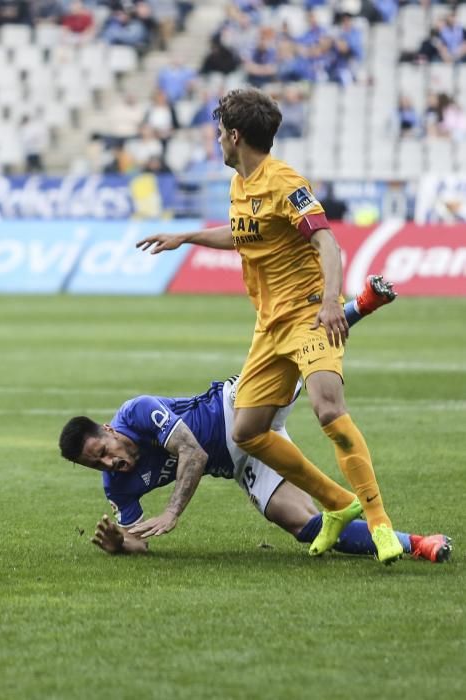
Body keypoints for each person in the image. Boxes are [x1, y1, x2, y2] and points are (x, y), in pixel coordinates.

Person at [136, 88, 405, 565]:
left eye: (220, 132)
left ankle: (379, 521)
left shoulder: (284, 182)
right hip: (269, 326)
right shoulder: (241, 184)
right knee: (247, 431)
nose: (217, 139)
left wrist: (329, 302)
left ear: (235, 135)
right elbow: (242, 235)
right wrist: (187, 236)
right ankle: (338, 502)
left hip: (307, 314)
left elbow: (327, 242)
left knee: (328, 408)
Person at [58, 341, 451, 564]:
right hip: (241, 460)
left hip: (237, 407)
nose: (110, 463)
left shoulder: (137, 411)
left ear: (108, 430)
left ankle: (358, 305)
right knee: (305, 527)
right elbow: (138, 539)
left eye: (103, 451)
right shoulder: (116, 485)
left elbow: (192, 455)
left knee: (297, 355)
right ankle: (418, 543)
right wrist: (119, 545)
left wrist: (173, 512)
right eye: (95, 464)